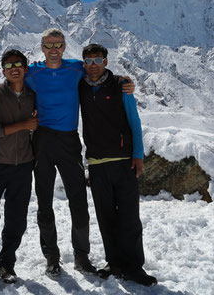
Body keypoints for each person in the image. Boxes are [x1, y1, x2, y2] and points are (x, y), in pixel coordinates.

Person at [24, 28, 135, 277]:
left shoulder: (76, 68)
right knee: (44, 202)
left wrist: (127, 83)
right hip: (41, 139)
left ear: (64, 47)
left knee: (79, 201)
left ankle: (81, 256)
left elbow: (100, 72)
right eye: (48, 45)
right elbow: (12, 82)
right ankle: (51, 257)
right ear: (41, 47)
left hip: (69, 140)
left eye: (58, 45)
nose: (53, 49)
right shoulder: (33, 72)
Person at [78, 43, 157, 287]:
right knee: (105, 217)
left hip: (123, 161)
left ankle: (133, 267)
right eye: (89, 61)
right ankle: (114, 262)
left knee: (130, 217)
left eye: (98, 60)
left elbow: (134, 119)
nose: (93, 65)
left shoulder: (121, 85)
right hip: (97, 162)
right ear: (83, 64)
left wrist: (138, 154)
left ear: (106, 61)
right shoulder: (79, 85)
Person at [0, 49, 38, 287]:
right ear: (3, 70)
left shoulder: (33, 95)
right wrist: (25, 124)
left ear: (25, 68)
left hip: (23, 166)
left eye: (19, 64)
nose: (14, 68)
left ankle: (7, 263)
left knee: (16, 219)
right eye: (9, 64)